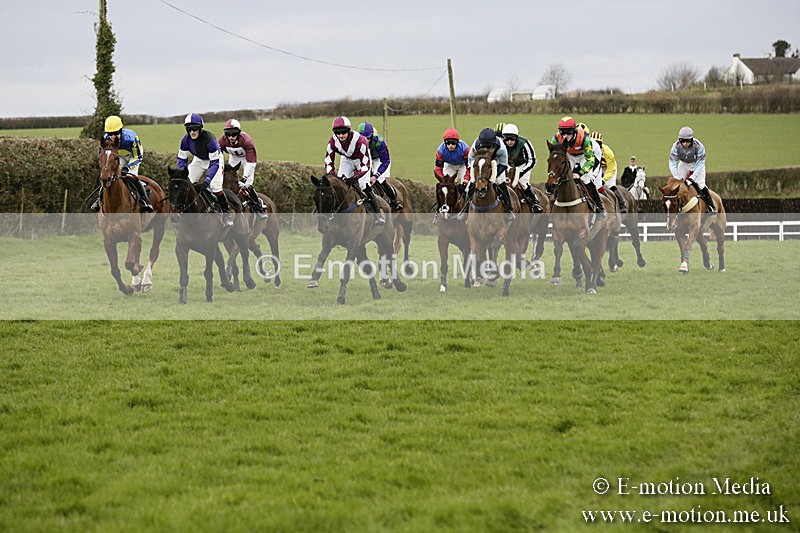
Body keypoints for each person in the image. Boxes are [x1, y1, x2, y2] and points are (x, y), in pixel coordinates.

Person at [324, 116, 384, 225]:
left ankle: (377, 215)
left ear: (349, 130)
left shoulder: (360, 141)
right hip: (347, 159)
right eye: (338, 133)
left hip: (361, 159)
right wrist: (331, 176)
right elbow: (329, 161)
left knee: (363, 185)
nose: (341, 135)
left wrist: (355, 177)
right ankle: (335, 214)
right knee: (339, 184)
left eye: (344, 132)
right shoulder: (332, 142)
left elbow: (366, 164)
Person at [177, 113, 233, 227]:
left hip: (215, 160)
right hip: (199, 159)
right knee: (187, 183)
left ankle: (227, 215)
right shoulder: (185, 140)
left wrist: (207, 181)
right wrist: (182, 173)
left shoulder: (209, 139)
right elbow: (182, 159)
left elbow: (214, 164)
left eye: (195, 129)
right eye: (189, 129)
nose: (192, 132)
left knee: (215, 187)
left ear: (200, 128)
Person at [91, 115, 153, 212]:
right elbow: (103, 158)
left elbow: (138, 157)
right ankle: (98, 200)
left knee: (132, 177)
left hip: (133, 156)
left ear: (120, 130)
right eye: (110, 133)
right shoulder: (105, 139)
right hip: (118, 157)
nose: (113, 136)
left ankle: (145, 201)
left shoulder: (131, 138)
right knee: (107, 177)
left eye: (115, 133)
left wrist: (127, 168)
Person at [549, 117, 605, 218]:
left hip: (584, 156)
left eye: (568, 133)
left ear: (574, 131)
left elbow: (590, 160)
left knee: (586, 179)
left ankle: (599, 206)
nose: (565, 136)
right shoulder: (556, 138)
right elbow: (554, 155)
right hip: (569, 155)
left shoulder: (585, 139)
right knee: (562, 176)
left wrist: (580, 173)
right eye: (563, 133)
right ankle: (555, 202)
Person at [217, 118, 267, 219]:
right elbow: (217, 157)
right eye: (228, 134)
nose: (231, 137)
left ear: (238, 133)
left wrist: (244, 177)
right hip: (234, 158)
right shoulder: (222, 140)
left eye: (233, 134)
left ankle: (258, 206)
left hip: (247, 159)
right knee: (227, 180)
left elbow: (251, 163)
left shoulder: (247, 141)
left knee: (247, 184)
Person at [467, 127, 515, 222]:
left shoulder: (501, 147)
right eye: (484, 145)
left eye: (489, 146)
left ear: (493, 143)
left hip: (496, 164)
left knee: (501, 183)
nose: (486, 148)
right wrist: (477, 175)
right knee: (471, 184)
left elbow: (503, 164)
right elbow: (470, 161)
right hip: (479, 165)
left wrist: (491, 175)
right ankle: (465, 209)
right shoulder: (475, 145)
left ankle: (508, 209)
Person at [356, 121, 402, 210]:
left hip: (378, 160)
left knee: (380, 179)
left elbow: (386, 161)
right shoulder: (356, 141)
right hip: (365, 159)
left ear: (372, 136)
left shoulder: (379, 142)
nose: (365, 141)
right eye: (363, 138)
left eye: (368, 139)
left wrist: (375, 176)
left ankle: (394, 201)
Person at [669, 126, 715, 213]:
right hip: (683, 164)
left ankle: (711, 206)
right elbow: (672, 163)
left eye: (687, 141)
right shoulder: (675, 147)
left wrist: (692, 178)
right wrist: (677, 177)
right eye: (682, 141)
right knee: (678, 185)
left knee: (701, 185)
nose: (685, 143)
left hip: (697, 165)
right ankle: (678, 206)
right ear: (679, 140)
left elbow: (701, 163)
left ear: (692, 140)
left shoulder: (699, 146)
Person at [501, 123, 543, 213]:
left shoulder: (524, 143)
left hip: (522, 165)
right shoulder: (501, 145)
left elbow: (532, 160)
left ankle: (535, 202)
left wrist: (520, 172)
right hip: (507, 165)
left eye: (512, 139)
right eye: (507, 139)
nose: (509, 142)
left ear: (516, 137)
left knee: (523, 182)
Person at [588, 130, 627, 213]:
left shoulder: (608, 152)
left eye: (598, 143)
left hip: (608, 167)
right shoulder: (588, 150)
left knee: (609, 185)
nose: (596, 146)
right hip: (596, 166)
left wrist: (604, 179)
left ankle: (622, 203)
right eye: (593, 143)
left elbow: (611, 169)